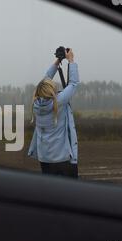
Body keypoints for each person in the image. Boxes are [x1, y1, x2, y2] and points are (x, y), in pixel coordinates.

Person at [27, 49, 80, 178]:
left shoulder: (35, 105)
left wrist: (58, 61)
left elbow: (44, 81)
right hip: (63, 160)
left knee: (51, 191)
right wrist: (71, 60)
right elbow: (73, 84)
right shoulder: (58, 102)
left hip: (45, 159)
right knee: (70, 192)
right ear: (51, 90)